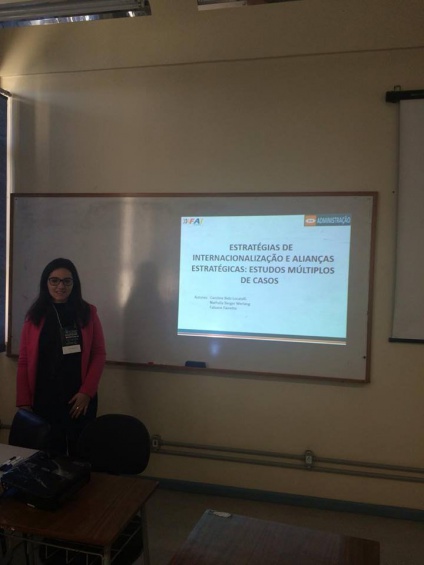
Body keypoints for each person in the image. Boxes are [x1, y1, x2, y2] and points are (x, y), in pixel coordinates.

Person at [16, 258, 106, 456]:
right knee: (47, 455)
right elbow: (23, 361)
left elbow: (99, 354)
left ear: (74, 283)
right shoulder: (35, 316)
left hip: (78, 398)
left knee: (80, 454)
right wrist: (24, 402)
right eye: (54, 280)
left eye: (67, 281)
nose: (60, 286)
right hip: (44, 397)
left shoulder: (87, 312)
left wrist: (87, 392)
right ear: (46, 283)